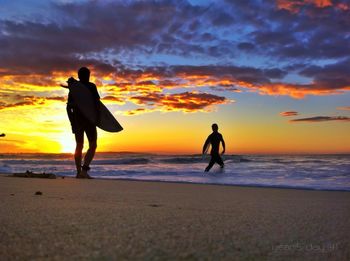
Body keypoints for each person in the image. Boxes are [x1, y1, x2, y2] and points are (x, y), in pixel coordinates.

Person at [65, 67, 100, 179]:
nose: (87, 77)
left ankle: (79, 172)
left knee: (80, 145)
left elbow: (69, 107)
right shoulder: (91, 86)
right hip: (88, 121)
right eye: (86, 75)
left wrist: (72, 122)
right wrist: (97, 119)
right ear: (81, 76)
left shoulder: (74, 87)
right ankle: (83, 171)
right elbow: (97, 104)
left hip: (78, 120)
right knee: (92, 145)